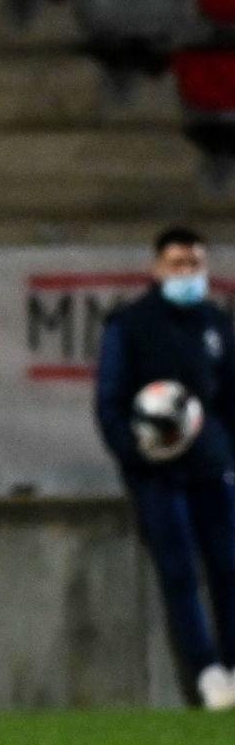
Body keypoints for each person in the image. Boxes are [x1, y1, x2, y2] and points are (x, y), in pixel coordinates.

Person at [95, 226, 235, 710]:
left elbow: (230, 399)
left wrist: (224, 450)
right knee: (178, 574)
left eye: (195, 263)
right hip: (157, 477)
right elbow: (109, 404)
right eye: (177, 264)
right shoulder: (130, 325)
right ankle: (205, 673)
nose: (187, 273)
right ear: (157, 269)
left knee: (228, 568)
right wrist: (139, 454)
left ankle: (232, 664)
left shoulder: (216, 324)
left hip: (213, 470)